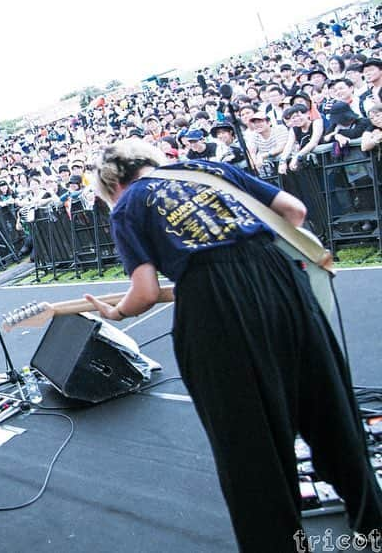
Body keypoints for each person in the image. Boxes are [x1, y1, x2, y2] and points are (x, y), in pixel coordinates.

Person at [84, 139, 382, 551]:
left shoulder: (128, 204)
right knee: (328, 406)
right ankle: (372, 524)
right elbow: (294, 211)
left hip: (214, 306)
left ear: (112, 185)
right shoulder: (207, 169)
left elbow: (146, 291)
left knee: (247, 437)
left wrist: (115, 313)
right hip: (280, 278)